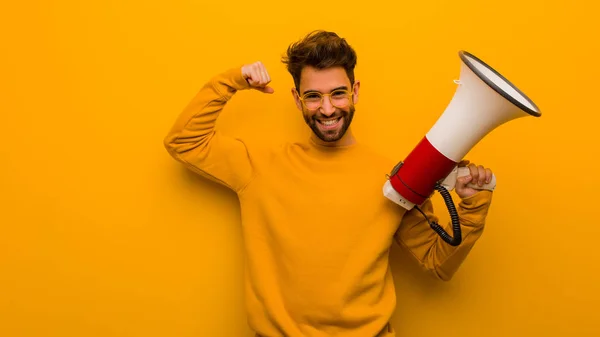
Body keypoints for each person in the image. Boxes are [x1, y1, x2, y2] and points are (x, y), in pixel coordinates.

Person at [163, 30, 494, 337]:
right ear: (296, 99)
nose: (327, 109)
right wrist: (232, 81)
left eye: (337, 94)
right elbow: (184, 142)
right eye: (312, 96)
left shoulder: (396, 178)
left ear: (355, 92)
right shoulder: (259, 165)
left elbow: (438, 263)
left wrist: (473, 207)